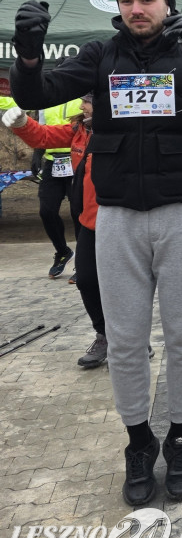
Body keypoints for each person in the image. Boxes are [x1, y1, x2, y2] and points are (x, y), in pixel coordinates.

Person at [10, 0, 182, 507]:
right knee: (128, 340)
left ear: (166, 2)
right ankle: (139, 441)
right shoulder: (99, 55)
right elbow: (37, 95)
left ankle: (181, 435)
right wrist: (26, 52)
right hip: (115, 214)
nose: (137, 8)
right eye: (127, 0)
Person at [4, 95, 106, 366]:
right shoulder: (79, 130)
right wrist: (22, 122)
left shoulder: (126, 130)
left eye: (87, 102)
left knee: (127, 286)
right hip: (90, 222)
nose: (82, 106)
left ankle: (134, 339)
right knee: (85, 281)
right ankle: (105, 335)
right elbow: (43, 136)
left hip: (123, 223)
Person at [37, 96, 84, 279]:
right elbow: (42, 131)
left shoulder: (82, 98)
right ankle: (62, 251)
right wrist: (37, 155)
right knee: (46, 211)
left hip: (77, 160)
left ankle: (83, 263)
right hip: (52, 162)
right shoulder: (45, 100)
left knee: (78, 212)